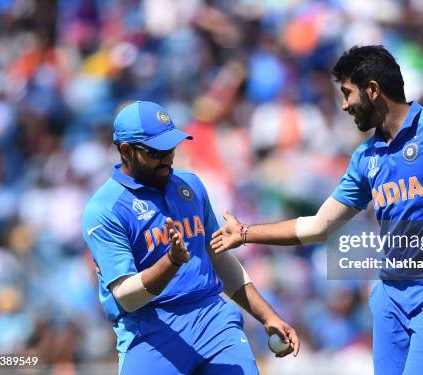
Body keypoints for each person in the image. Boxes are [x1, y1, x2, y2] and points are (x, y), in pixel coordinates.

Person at [211, 45, 423, 375]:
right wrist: (245, 234)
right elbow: (319, 226)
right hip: (391, 296)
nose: (343, 105)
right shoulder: (366, 157)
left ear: (373, 90)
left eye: (347, 93)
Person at [82, 100, 299, 375]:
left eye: (171, 147)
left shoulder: (190, 185)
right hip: (150, 331)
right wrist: (171, 262)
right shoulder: (104, 209)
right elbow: (127, 298)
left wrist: (267, 315)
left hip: (213, 320)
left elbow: (217, 256)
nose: (168, 158)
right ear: (126, 151)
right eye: (156, 151)